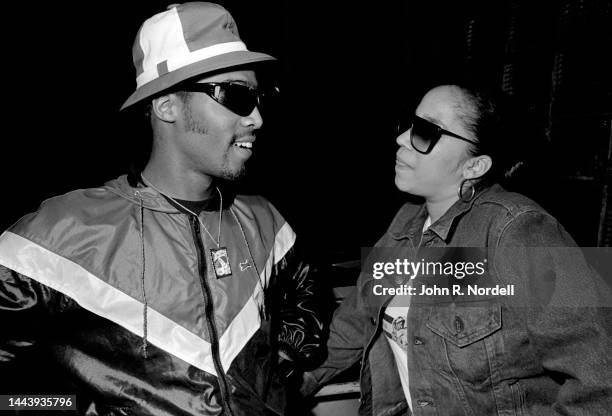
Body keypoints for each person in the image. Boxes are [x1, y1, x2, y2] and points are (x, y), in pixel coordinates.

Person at [0, 3, 325, 415]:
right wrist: (66, 406)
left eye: (259, 97)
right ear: (166, 105)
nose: (257, 117)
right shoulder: (64, 234)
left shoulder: (265, 222)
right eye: (236, 95)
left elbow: (305, 300)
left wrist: (280, 372)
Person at [302, 83, 612, 415]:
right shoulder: (405, 223)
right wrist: (287, 383)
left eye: (425, 131)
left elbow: (601, 379)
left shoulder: (518, 230)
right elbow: (354, 323)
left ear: (474, 166)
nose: (402, 138)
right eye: (409, 124)